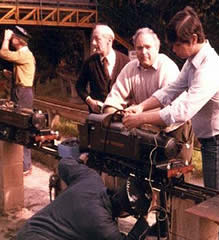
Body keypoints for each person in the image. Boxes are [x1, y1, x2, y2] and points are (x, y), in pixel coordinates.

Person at [122, 6, 219, 240]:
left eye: (177, 44)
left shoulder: (210, 68)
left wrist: (139, 119)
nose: (173, 50)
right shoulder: (194, 60)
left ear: (194, 38)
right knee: (214, 202)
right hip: (211, 142)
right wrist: (142, 106)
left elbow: (180, 110)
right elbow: (171, 90)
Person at [103, 27, 194, 167]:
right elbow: (113, 98)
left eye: (147, 47)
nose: (143, 52)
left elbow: (170, 111)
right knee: (145, 173)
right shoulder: (130, 68)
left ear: (157, 48)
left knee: (174, 176)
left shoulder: (167, 68)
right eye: (139, 48)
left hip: (174, 129)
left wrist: (138, 116)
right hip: (145, 129)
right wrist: (115, 115)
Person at [17, 156, 155, 240]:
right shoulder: (103, 227)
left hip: (27, 232)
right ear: (125, 213)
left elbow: (64, 164)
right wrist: (145, 220)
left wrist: (80, 160)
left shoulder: (91, 178)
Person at [0, 26, 36, 175]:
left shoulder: (25, 54)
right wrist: (11, 76)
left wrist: (6, 39)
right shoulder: (23, 55)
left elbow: (3, 53)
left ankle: (26, 165)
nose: (11, 38)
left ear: (19, 40)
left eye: (13, 37)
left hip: (23, 93)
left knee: (23, 127)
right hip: (21, 90)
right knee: (16, 125)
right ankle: (19, 162)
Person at [76, 24, 130, 113]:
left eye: (97, 39)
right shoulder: (90, 63)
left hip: (120, 116)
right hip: (97, 117)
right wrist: (90, 102)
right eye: (92, 39)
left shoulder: (125, 61)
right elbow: (79, 86)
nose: (93, 43)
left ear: (109, 41)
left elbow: (132, 89)